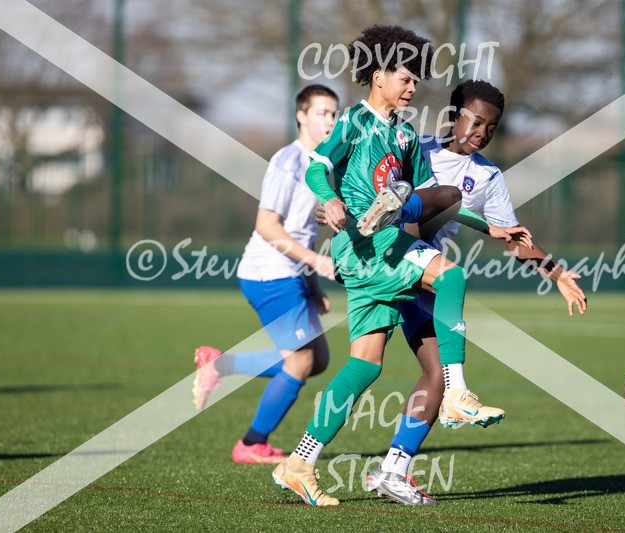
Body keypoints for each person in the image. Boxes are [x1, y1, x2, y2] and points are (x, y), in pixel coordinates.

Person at [271, 25, 529, 507]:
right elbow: (316, 166)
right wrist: (328, 200)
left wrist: (485, 226)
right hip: (369, 248)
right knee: (451, 276)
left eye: (416, 80)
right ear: (378, 75)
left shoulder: (406, 135)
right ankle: (455, 391)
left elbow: (434, 198)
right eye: (406, 78)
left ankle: (299, 462)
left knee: (363, 367)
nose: (413, 88)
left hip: (381, 253)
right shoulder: (352, 122)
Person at [363, 79, 588, 505]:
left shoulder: (487, 176)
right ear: (454, 117)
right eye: (476, 121)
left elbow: (514, 237)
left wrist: (554, 271)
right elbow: (374, 184)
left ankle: (392, 468)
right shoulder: (417, 148)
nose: (482, 132)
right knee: (366, 368)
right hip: (391, 259)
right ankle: (449, 405)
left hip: (424, 273)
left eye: (492, 127)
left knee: (431, 372)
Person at [192, 84, 339, 464]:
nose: (330, 120)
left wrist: (311, 281)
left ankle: (220, 365)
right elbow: (268, 227)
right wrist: (318, 263)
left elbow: (300, 229)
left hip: (291, 272)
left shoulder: (322, 164)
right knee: (300, 361)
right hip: (269, 272)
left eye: (334, 114)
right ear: (301, 116)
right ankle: (252, 443)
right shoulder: (288, 161)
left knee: (316, 359)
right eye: (322, 112)